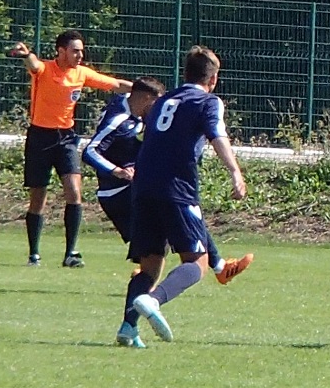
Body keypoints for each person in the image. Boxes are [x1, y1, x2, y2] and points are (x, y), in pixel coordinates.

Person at [118, 46, 247, 348]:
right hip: (177, 188)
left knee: (150, 265)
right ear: (213, 79)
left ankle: (127, 328)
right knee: (197, 263)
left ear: (185, 74)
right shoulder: (208, 101)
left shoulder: (163, 100)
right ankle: (154, 300)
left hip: (143, 187)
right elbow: (217, 135)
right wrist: (235, 171)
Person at [83, 76, 253, 294]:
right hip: (118, 193)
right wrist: (116, 171)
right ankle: (156, 289)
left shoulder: (135, 110)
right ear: (146, 99)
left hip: (138, 185)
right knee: (165, 235)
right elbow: (90, 151)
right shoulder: (120, 119)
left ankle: (214, 268)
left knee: (168, 233)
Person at [8, 31, 132, 268]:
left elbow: (115, 84)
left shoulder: (81, 73)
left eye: (81, 51)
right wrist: (26, 54)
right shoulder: (45, 69)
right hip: (39, 138)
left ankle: (71, 253)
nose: (80, 55)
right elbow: (33, 64)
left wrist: (146, 91)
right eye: (75, 51)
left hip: (66, 138)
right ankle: (34, 254)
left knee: (74, 192)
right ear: (61, 51)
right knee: (38, 198)